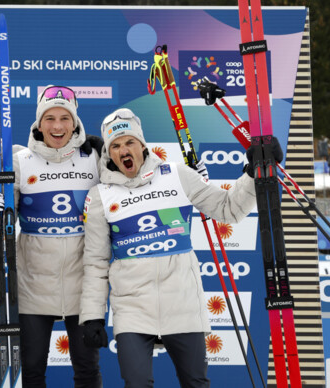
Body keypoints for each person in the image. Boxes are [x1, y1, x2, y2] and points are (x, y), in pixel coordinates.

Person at [79, 108, 277, 388]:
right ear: (109, 153)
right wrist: (92, 318)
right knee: (137, 384)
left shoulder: (177, 176)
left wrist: (252, 173)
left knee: (195, 383)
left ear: (142, 145)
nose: (124, 150)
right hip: (132, 309)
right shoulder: (100, 196)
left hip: (183, 304)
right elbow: (96, 263)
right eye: (116, 145)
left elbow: (228, 209)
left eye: (130, 142)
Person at [0, 86, 103, 387]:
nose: (58, 126)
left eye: (65, 118)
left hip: (82, 286)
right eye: (49, 118)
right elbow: (0, 220)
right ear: (38, 123)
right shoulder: (21, 160)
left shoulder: (94, 159)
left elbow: (134, 182)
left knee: (87, 371)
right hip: (33, 284)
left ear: (75, 123)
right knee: (33, 370)